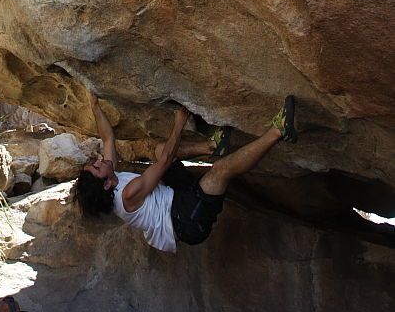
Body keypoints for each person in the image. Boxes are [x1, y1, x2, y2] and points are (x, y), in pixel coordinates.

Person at [75, 92, 297, 253]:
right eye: (96, 167)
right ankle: (279, 131)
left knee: (160, 149)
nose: (99, 161)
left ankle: (211, 147)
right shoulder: (128, 195)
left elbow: (107, 138)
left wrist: (94, 106)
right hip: (184, 220)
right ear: (105, 184)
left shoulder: (110, 176)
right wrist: (179, 124)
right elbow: (166, 161)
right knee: (219, 171)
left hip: (174, 194)